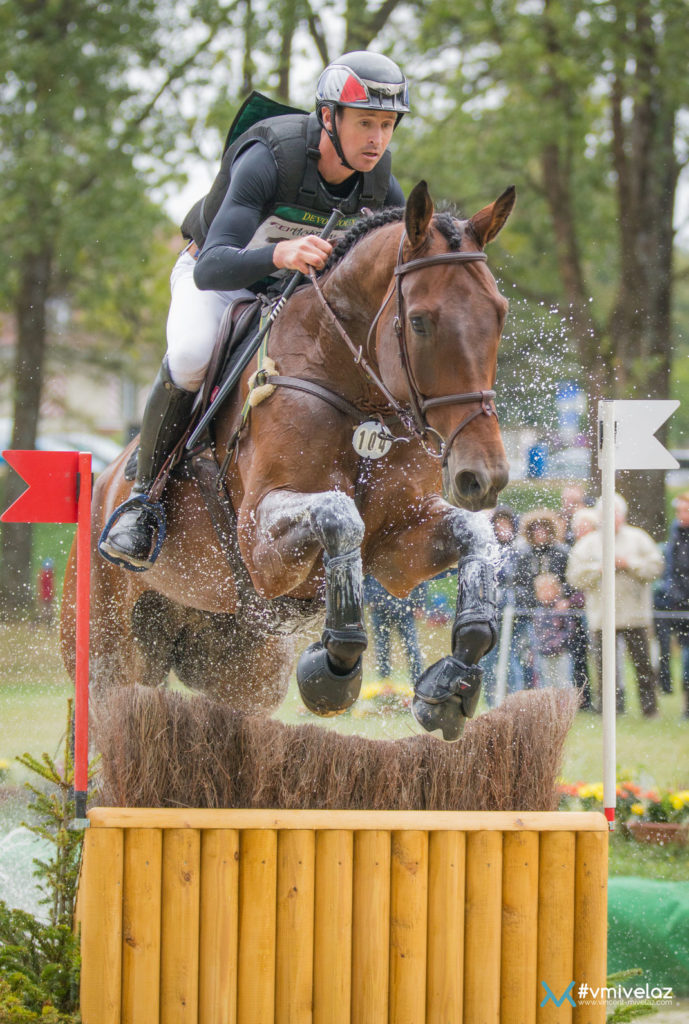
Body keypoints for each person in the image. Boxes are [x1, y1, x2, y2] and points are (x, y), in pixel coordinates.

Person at [101, 51, 409, 569]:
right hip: (221, 281)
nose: (376, 139)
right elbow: (212, 267)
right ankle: (144, 498)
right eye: (365, 123)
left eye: (386, 125)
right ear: (328, 118)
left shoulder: (379, 184)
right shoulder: (272, 157)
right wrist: (279, 254)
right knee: (193, 353)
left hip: (293, 296)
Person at [566, 492, 663, 716]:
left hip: (634, 614)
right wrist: (599, 569)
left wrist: (630, 564)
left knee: (643, 665)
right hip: (602, 617)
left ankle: (649, 709)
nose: (612, 519)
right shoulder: (588, 544)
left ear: (623, 515)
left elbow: (655, 567)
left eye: (616, 514)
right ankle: (611, 709)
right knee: (606, 669)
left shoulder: (638, 538)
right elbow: (574, 576)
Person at [513, 508, 571, 688]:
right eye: (536, 530)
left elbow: (569, 581)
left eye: (544, 529)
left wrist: (560, 599)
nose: (540, 534)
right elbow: (518, 584)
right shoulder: (524, 554)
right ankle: (533, 691)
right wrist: (536, 602)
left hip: (558, 615)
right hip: (531, 614)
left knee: (563, 655)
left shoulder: (560, 553)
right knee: (531, 657)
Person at [482, 506, 522, 705]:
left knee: (512, 658)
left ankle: (515, 701)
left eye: (506, 525)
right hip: (490, 613)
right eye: (498, 525)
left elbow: (523, 582)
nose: (502, 529)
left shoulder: (518, 551)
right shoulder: (488, 551)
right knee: (488, 659)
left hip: (513, 615)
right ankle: (491, 702)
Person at [654, 490, 689, 716]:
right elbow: (671, 570)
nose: (681, 515)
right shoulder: (675, 532)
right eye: (679, 511)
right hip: (678, 604)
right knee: (682, 655)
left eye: (685, 511)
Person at [363, 575, 423, 682]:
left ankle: (417, 680)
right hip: (379, 608)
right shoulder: (374, 558)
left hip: (405, 609)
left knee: (411, 647)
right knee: (382, 648)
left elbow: (421, 576)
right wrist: (368, 599)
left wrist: (419, 603)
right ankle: (385, 682)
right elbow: (365, 576)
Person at [532, 573, 573, 689]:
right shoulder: (537, 611)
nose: (545, 593)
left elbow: (569, 630)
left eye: (548, 589)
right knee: (546, 684)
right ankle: (549, 707)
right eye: (542, 590)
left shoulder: (561, 609)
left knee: (563, 683)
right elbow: (536, 633)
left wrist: (557, 643)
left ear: (557, 590)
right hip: (543, 655)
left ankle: (564, 706)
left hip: (561, 654)